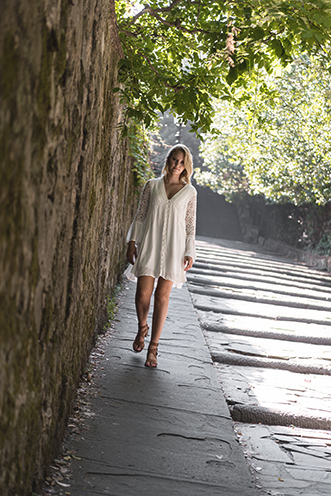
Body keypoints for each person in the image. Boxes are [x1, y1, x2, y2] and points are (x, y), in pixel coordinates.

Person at [125, 144, 197, 368]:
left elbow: (189, 225)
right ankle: (142, 326)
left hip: (174, 250)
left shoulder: (190, 192)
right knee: (142, 295)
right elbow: (140, 215)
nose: (177, 165)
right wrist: (132, 242)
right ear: (168, 160)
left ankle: (153, 348)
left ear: (187, 166)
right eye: (175, 160)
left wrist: (189, 251)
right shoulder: (152, 185)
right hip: (150, 244)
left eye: (182, 162)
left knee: (162, 297)